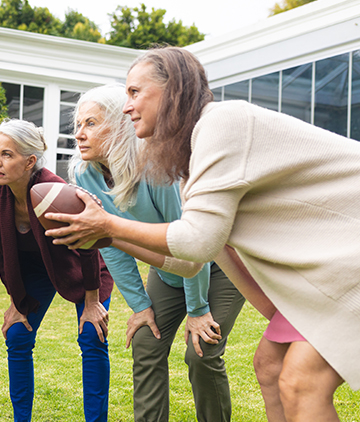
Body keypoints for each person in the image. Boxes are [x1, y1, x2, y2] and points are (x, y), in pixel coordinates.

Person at [46, 46, 360, 422]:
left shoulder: (222, 124)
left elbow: (197, 241)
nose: (126, 106)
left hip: (346, 256)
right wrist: (109, 239)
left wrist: (108, 228)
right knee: (270, 367)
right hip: (323, 267)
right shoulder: (186, 154)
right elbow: (197, 259)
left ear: (173, 90)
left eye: (134, 93)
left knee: (300, 381)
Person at [68, 84, 245, 421]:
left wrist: (198, 309)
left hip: (218, 264)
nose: (79, 133)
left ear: (121, 124)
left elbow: (192, 244)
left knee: (202, 352)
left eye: (91, 123)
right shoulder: (84, 173)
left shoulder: (156, 168)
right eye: (77, 124)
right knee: (147, 344)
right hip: (170, 271)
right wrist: (140, 305)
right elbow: (110, 244)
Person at [0, 119, 114, 421]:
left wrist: (92, 303)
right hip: (33, 273)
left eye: (7, 155)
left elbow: (88, 245)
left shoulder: (57, 192)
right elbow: (0, 252)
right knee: (16, 334)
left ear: (29, 162)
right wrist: (16, 301)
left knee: (93, 334)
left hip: (80, 267)